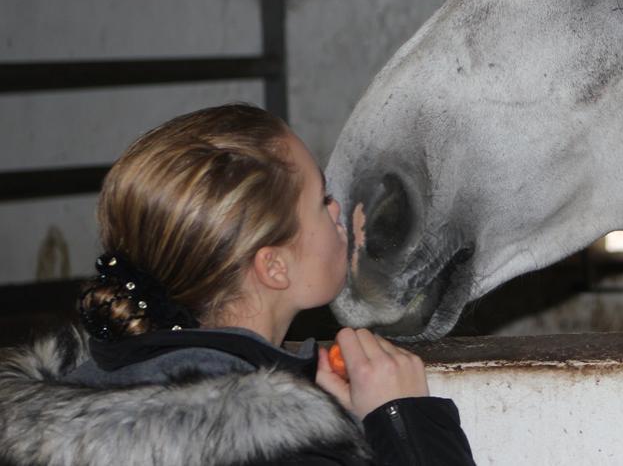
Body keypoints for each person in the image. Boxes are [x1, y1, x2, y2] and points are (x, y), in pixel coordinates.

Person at [0, 103, 476, 465]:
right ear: (274, 268)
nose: (337, 212)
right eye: (321, 199)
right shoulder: (283, 450)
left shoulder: (54, 413)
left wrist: (317, 408)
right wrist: (406, 420)